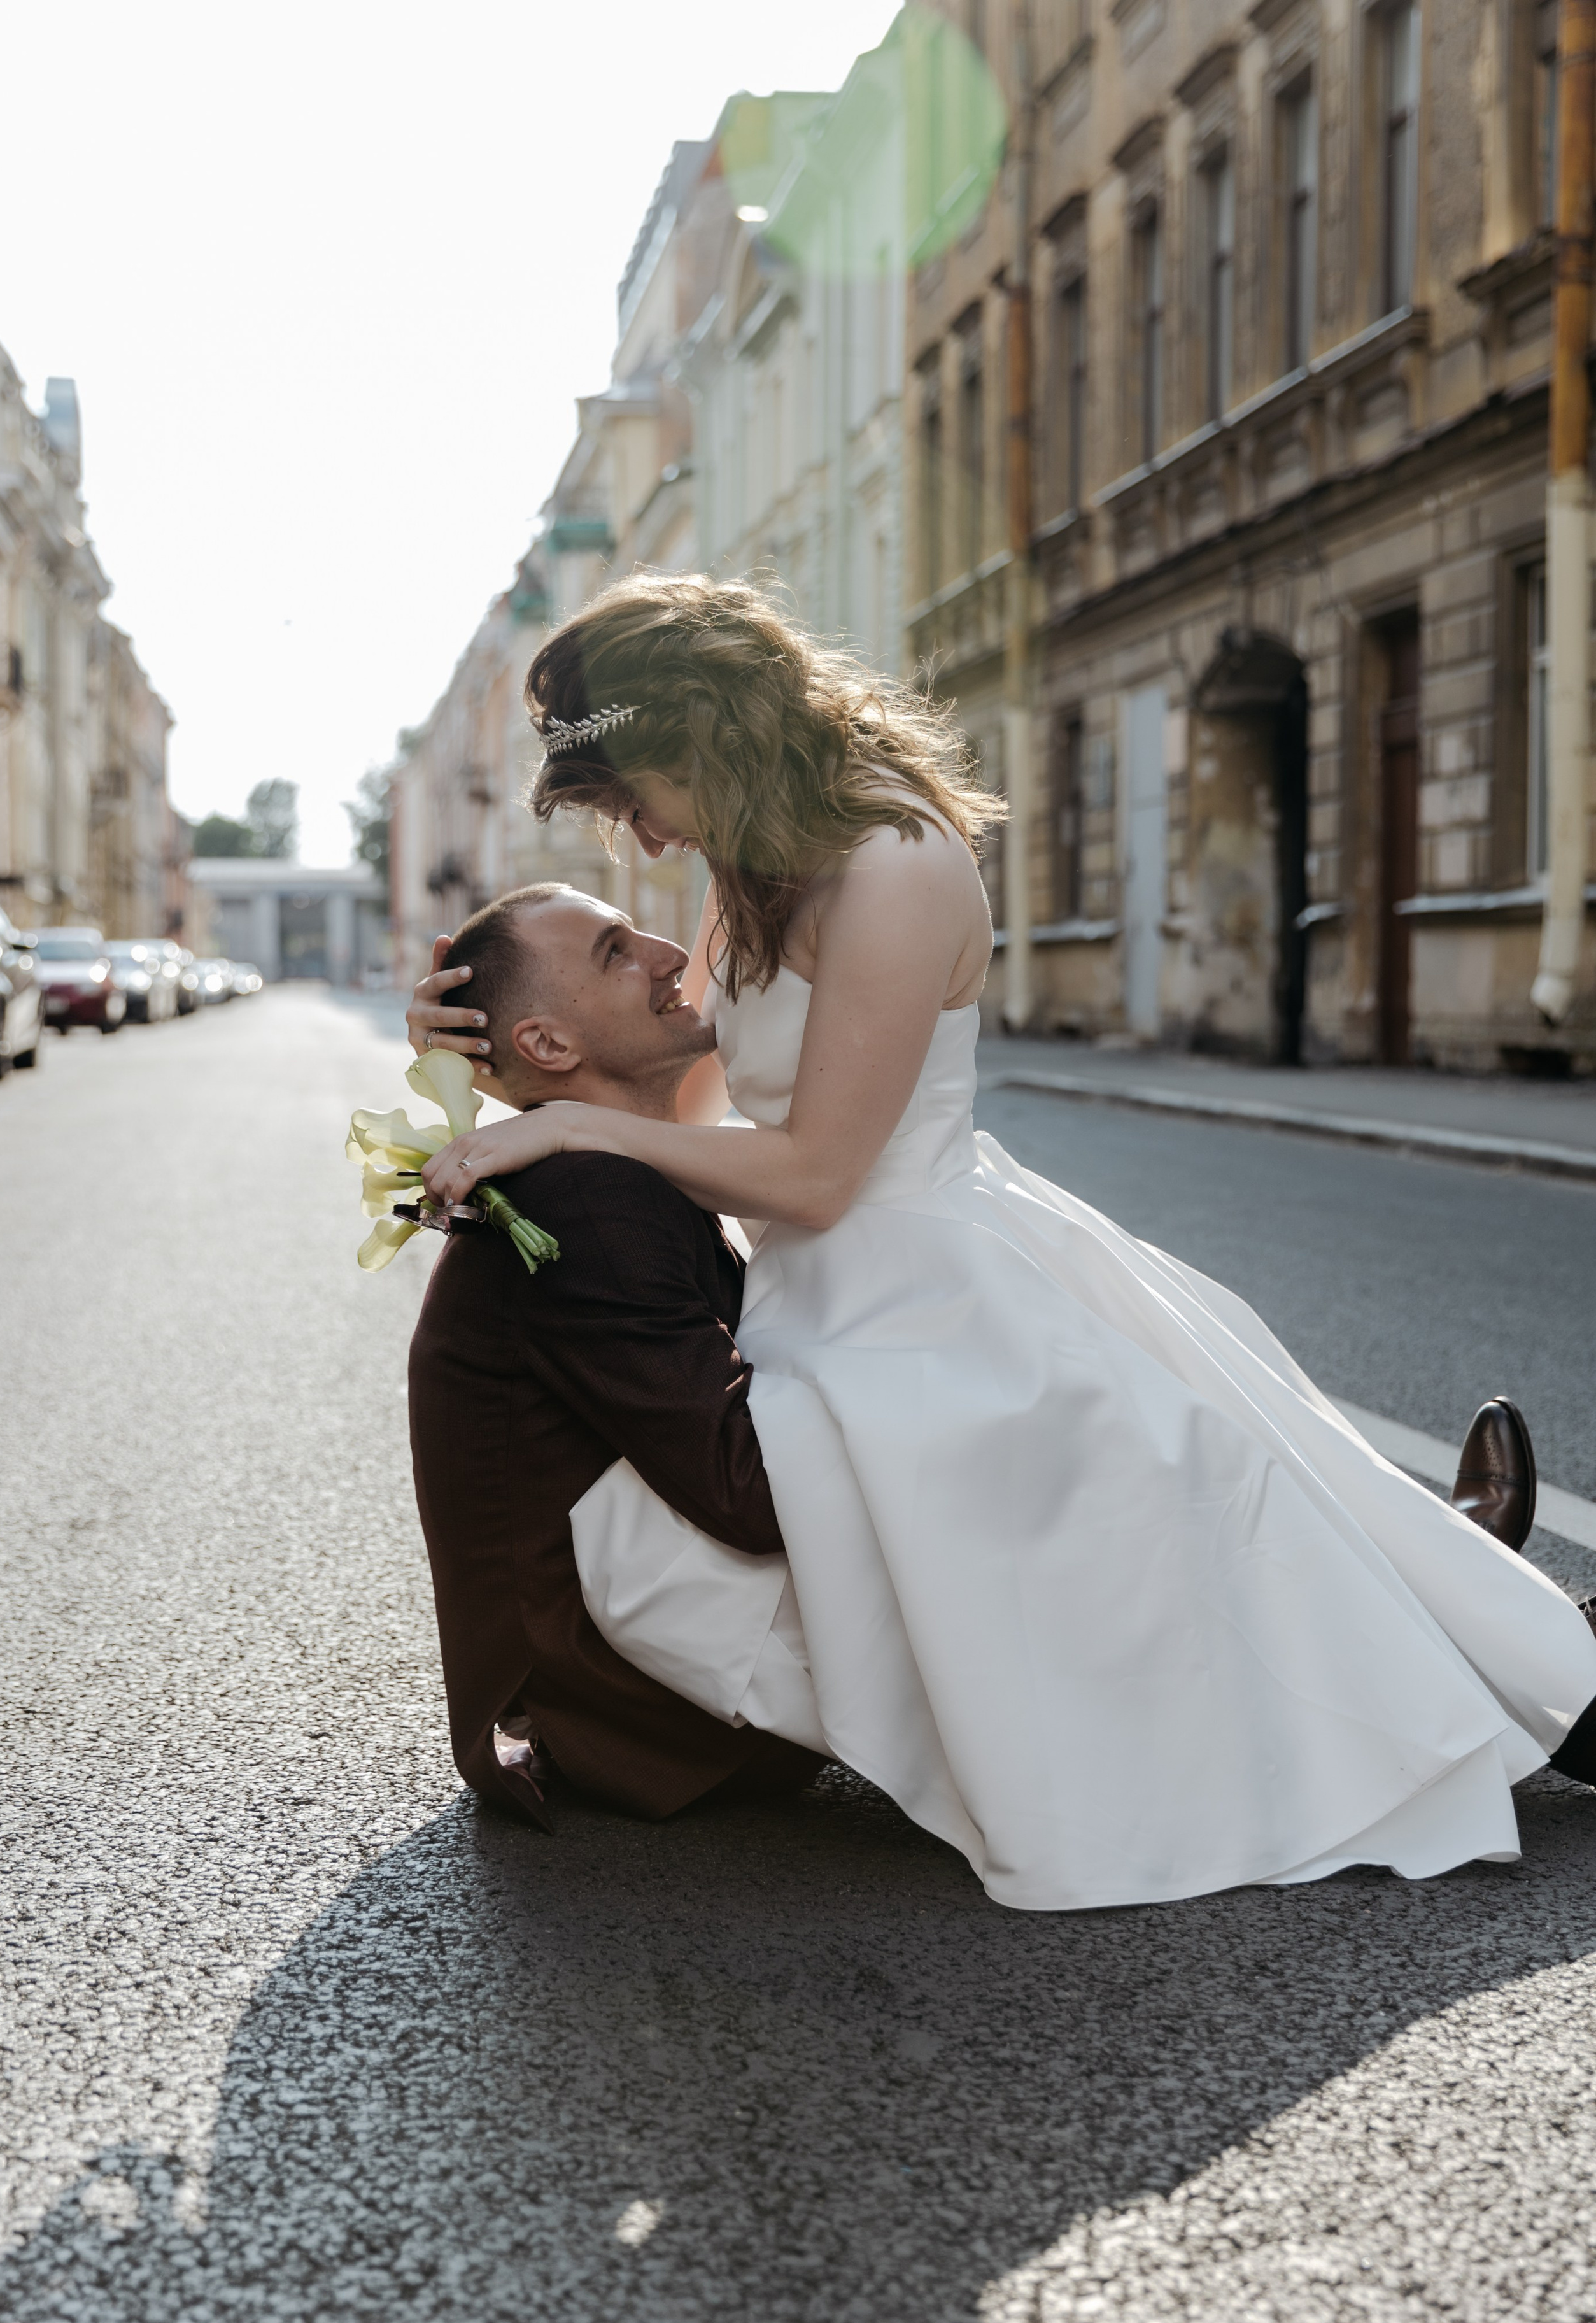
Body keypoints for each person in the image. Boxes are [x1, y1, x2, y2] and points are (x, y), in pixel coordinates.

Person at [408, 572, 1596, 1912]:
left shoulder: (897, 866)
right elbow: (683, 1093)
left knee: (1200, 1488)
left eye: (629, 794)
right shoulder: (742, 876)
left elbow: (808, 1171)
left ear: (702, 735)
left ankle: (1495, 1650)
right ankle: (1461, 1591)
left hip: (935, 1279)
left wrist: (573, 1137)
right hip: (818, 1311)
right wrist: (487, 1067)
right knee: (1161, 1523)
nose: (635, 834)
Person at [406, 883, 824, 1831]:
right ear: (549, 1047)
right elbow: (751, 1493)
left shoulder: (609, 1164)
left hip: (631, 1672)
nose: (668, 953)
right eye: (614, 952)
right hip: (651, 1713)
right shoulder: (587, 1198)